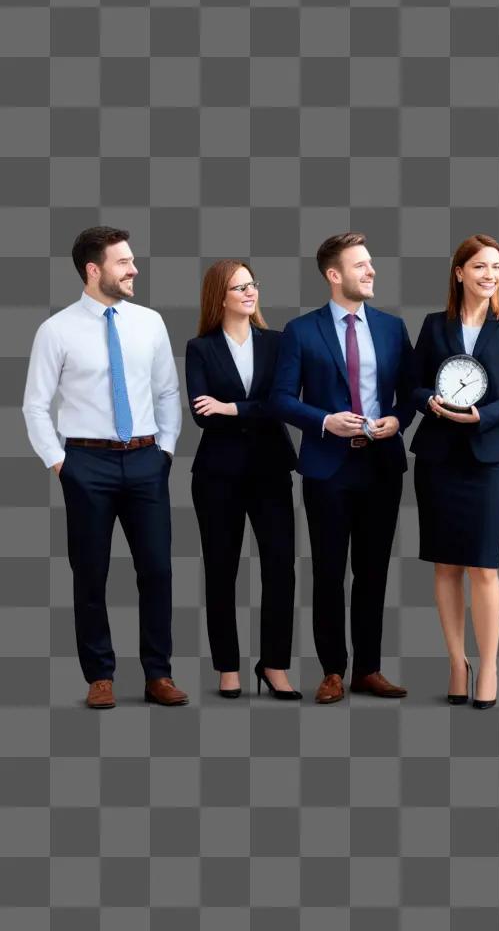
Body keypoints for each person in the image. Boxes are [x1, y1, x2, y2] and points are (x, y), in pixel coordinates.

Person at [23, 226, 186, 708]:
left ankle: (158, 674)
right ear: (93, 270)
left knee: (157, 570)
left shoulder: (151, 323)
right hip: (85, 462)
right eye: (123, 262)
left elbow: (167, 393)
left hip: (145, 459)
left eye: (132, 261)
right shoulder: (56, 330)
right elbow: (35, 406)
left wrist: (167, 451)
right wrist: (59, 462)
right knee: (89, 573)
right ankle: (100, 676)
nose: (134, 269)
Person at [271, 232, 415, 703]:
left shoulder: (393, 329)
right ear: (334, 275)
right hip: (328, 468)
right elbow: (281, 399)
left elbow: (411, 394)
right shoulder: (300, 331)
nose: (371, 271)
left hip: (380, 465)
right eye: (360, 265)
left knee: (373, 572)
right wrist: (324, 420)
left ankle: (368, 670)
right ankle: (333, 670)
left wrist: (400, 418)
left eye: (371, 264)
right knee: (329, 572)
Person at [410, 234, 499, 709]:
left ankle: (491, 666)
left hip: (490, 457)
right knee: (445, 565)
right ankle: (456, 663)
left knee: (484, 566)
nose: (490, 275)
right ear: (459, 272)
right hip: (439, 456)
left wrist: (484, 416)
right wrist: (429, 402)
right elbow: (413, 382)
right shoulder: (433, 324)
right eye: (480, 267)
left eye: (497, 267)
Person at [185, 260, 300, 700]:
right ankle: (227, 667)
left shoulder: (278, 342)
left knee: (280, 568)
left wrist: (232, 408)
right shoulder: (200, 348)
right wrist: (254, 408)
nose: (250, 293)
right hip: (218, 474)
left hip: (271, 470)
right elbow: (200, 414)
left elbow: (284, 403)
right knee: (221, 569)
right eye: (239, 287)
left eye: (253, 284)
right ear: (221, 296)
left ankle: (274, 665)